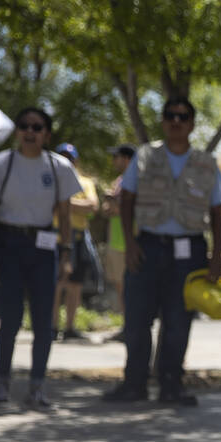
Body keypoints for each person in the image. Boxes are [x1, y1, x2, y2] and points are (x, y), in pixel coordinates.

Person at [102, 97, 221, 406]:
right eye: (170, 116)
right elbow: (127, 199)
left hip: (189, 252)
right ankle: (134, 383)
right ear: (163, 121)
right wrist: (131, 243)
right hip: (147, 247)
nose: (176, 121)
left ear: (192, 124)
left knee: (178, 321)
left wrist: (216, 257)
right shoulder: (146, 157)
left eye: (183, 117)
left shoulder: (206, 162)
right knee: (136, 319)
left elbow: (217, 211)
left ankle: (172, 385)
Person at [0, 107, 82, 409]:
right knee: (9, 320)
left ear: (46, 134)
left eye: (37, 127)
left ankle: (37, 386)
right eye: (24, 126)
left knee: (44, 323)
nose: (30, 132)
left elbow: (65, 215)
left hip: (44, 247)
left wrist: (66, 256)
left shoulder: (59, 167)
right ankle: (2, 383)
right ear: (18, 131)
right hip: (8, 245)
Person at [50, 143, 100, 341]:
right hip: (56, 237)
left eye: (69, 158)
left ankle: (69, 327)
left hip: (77, 237)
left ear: (76, 161)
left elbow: (92, 205)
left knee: (75, 284)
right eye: (62, 157)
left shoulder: (85, 182)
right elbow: (49, 207)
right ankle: (52, 327)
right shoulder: (51, 180)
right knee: (56, 283)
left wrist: (65, 204)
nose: (66, 162)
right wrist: (74, 206)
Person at [102, 144, 135, 342]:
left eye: (117, 157)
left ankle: (131, 328)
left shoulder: (136, 180)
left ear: (127, 159)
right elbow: (107, 209)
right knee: (121, 287)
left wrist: (112, 203)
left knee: (129, 288)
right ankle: (126, 326)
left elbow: (122, 208)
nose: (114, 161)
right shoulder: (119, 181)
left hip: (127, 243)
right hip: (116, 241)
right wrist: (112, 204)